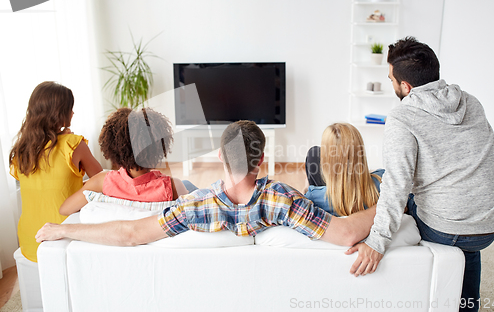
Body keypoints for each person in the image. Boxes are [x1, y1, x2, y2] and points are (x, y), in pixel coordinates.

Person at [36, 120, 376, 248]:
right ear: (260, 160)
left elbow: (130, 234)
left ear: (218, 155)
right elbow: (346, 233)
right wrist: (386, 202)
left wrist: (67, 230)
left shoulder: (195, 205)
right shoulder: (283, 198)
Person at [348, 37, 494, 312]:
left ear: (405, 87)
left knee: (384, 179)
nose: (392, 84)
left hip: (446, 228)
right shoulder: (471, 102)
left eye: (391, 79)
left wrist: (377, 242)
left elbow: (397, 185)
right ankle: (469, 306)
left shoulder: (403, 117)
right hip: (489, 225)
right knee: (467, 244)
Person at [9, 81, 103, 262]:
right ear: (59, 113)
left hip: (29, 240)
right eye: (70, 108)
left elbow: (46, 186)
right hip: (62, 237)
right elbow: (100, 179)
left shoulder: (21, 150)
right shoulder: (73, 144)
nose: (73, 112)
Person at [59, 107, 189, 216]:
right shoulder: (173, 186)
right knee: (187, 184)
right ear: (159, 147)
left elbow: (64, 210)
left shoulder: (101, 181)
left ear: (113, 148)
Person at [304, 123, 384, 216]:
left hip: (333, 200)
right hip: (366, 192)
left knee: (313, 153)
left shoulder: (314, 196)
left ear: (326, 161)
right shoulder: (383, 181)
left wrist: (306, 188)